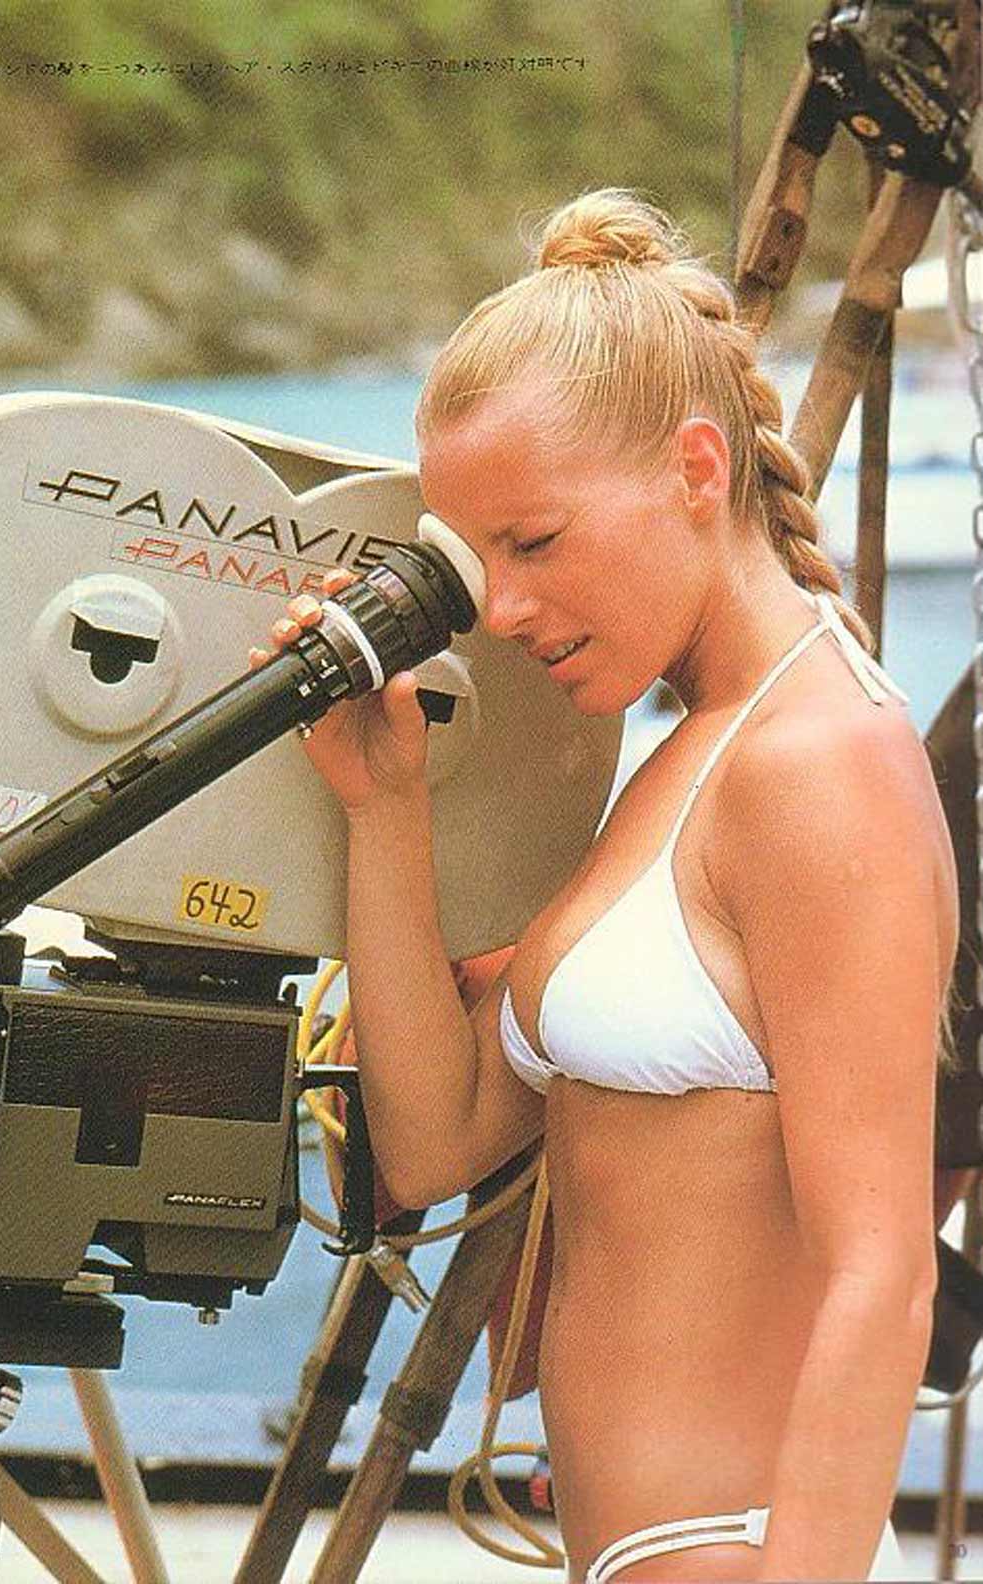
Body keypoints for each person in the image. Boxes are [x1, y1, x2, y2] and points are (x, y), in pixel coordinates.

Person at [248, 188, 959, 1582]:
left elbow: (884, 1274)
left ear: (697, 468)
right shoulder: (685, 759)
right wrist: (385, 806)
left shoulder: (821, 764)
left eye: (537, 542)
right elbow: (436, 1144)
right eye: (479, 564)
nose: (504, 611)